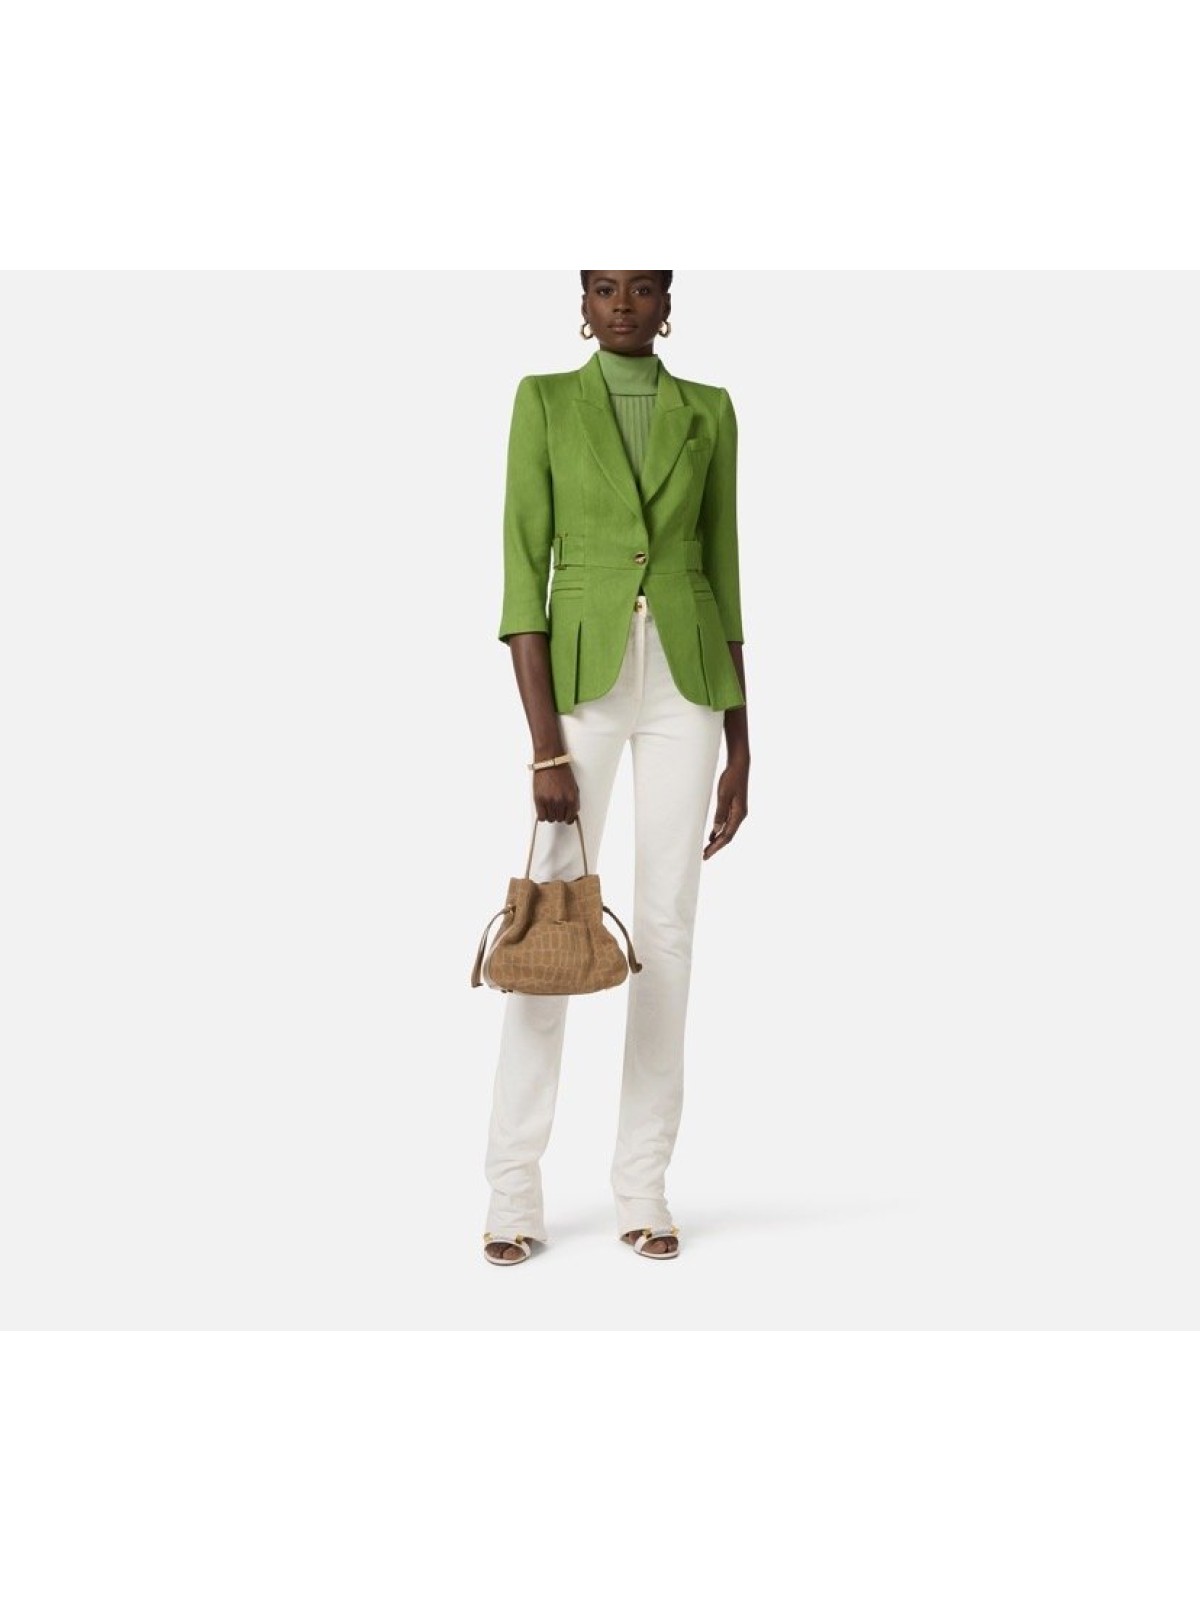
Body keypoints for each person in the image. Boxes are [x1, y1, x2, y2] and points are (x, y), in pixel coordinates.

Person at [482, 270, 751, 1264]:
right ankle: (513, 1191)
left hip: (687, 682)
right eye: (604, 289)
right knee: (552, 922)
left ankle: (643, 1184)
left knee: (667, 929)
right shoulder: (545, 401)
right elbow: (524, 579)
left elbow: (725, 572)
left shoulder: (709, 411)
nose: (623, 305)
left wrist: (742, 741)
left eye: (641, 289)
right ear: (584, 304)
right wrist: (545, 745)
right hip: (583, 687)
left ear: (668, 303)